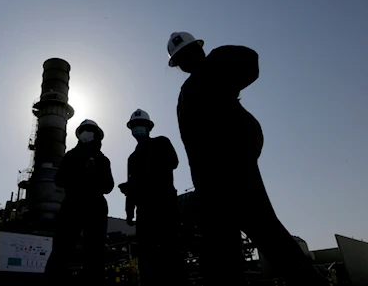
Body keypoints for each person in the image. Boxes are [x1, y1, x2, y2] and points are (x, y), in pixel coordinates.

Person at [167, 31, 328, 286]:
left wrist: (213, 62)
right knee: (246, 243)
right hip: (219, 179)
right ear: (182, 65)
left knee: (261, 237)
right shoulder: (192, 91)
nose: (188, 61)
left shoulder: (212, 74)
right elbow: (193, 148)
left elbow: (249, 61)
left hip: (232, 174)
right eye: (184, 58)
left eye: (190, 55)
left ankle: (310, 282)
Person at [118, 109, 185, 286]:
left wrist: (140, 180)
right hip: (144, 211)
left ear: (149, 127)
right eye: (134, 126)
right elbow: (131, 184)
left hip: (165, 206)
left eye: (141, 125)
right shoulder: (132, 158)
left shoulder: (162, 142)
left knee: (170, 249)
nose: (137, 129)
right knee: (147, 255)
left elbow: (173, 163)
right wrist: (129, 211)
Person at [45, 119, 114, 285]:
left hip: (95, 207)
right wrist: (79, 174)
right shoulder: (71, 156)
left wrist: (93, 175)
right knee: (61, 249)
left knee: (95, 251)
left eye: (90, 130)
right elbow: (59, 179)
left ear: (97, 135)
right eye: (84, 130)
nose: (86, 133)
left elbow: (108, 186)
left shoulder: (103, 160)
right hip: (73, 205)